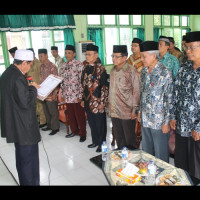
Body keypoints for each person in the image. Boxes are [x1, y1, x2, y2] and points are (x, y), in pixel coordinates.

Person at [0, 49, 41, 185]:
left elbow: (16, 98)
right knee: (29, 162)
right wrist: (33, 88)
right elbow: (26, 103)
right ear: (24, 62)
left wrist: (28, 88)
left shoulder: (7, 73)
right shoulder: (18, 78)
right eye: (30, 64)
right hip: (24, 127)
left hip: (15, 124)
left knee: (22, 160)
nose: (30, 67)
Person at [170, 31, 200, 183]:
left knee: (196, 167)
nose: (188, 51)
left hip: (197, 130)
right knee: (181, 162)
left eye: (192, 48)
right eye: (187, 48)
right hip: (182, 125)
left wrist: (199, 127)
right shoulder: (184, 67)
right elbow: (175, 93)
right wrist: (173, 116)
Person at [138, 41, 173, 163]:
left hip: (159, 121)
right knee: (146, 150)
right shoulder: (143, 71)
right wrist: (139, 111)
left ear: (153, 56)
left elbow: (170, 99)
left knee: (161, 153)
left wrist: (166, 122)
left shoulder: (165, 73)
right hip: (145, 118)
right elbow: (141, 93)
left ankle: (162, 177)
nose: (141, 59)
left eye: (144, 56)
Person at [108, 45, 140, 150]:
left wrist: (134, 110)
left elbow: (136, 91)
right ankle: (121, 154)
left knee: (129, 138)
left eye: (117, 56)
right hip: (114, 109)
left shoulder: (131, 71)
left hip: (126, 110)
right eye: (113, 56)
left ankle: (131, 159)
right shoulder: (113, 70)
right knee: (118, 136)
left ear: (125, 57)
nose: (114, 59)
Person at [81, 44, 109, 152]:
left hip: (98, 101)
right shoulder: (85, 68)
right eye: (86, 54)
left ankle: (102, 144)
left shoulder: (101, 69)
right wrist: (83, 100)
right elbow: (83, 85)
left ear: (96, 55)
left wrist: (103, 101)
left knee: (100, 123)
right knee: (92, 123)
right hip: (88, 101)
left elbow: (104, 87)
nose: (87, 56)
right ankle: (95, 141)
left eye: (89, 54)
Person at [60, 45, 87, 142]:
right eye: (66, 53)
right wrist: (63, 94)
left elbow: (82, 81)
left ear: (74, 54)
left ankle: (83, 133)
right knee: (71, 115)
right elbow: (62, 81)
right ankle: (74, 131)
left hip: (76, 95)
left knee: (79, 116)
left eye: (69, 53)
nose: (67, 55)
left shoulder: (79, 65)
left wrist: (81, 96)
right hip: (67, 95)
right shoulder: (63, 65)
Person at [39, 48, 60, 135]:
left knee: (53, 111)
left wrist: (55, 93)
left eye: (42, 56)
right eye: (39, 56)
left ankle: (55, 128)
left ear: (46, 55)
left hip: (51, 93)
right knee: (46, 110)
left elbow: (56, 81)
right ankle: (49, 125)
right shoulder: (41, 66)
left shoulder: (52, 66)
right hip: (43, 93)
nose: (40, 58)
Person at [127, 37, 144, 148]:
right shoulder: (130, 58)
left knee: (139, 115)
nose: (133, 48)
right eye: (132, 45)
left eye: (135, 46)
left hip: (141, 90)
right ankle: (131, 135)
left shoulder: (143, 58)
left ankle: (139, 137)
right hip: (130, 90)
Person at [26, 48, 47, 128]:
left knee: (40, 105)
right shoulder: (28, 64)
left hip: (38, 86)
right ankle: (38, 120)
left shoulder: (39, 64)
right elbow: (28, 76)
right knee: (34, 105)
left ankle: (43, 121)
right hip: (31, 87)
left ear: (34, 55)